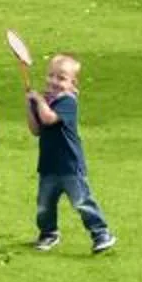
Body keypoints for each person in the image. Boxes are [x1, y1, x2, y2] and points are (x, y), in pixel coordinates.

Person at [25, 52, 114, 254]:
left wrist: (38, 101)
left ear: (73, 83)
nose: (54, 81)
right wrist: (29, 105)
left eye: (61, 78)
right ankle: (48, 234)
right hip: (48, 166)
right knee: (44, 206)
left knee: (82, 202)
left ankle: (101, 233)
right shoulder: (46, 101)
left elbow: (48, 119)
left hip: (70, 166)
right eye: (51, 76)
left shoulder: (68, 101)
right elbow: (36, 130)